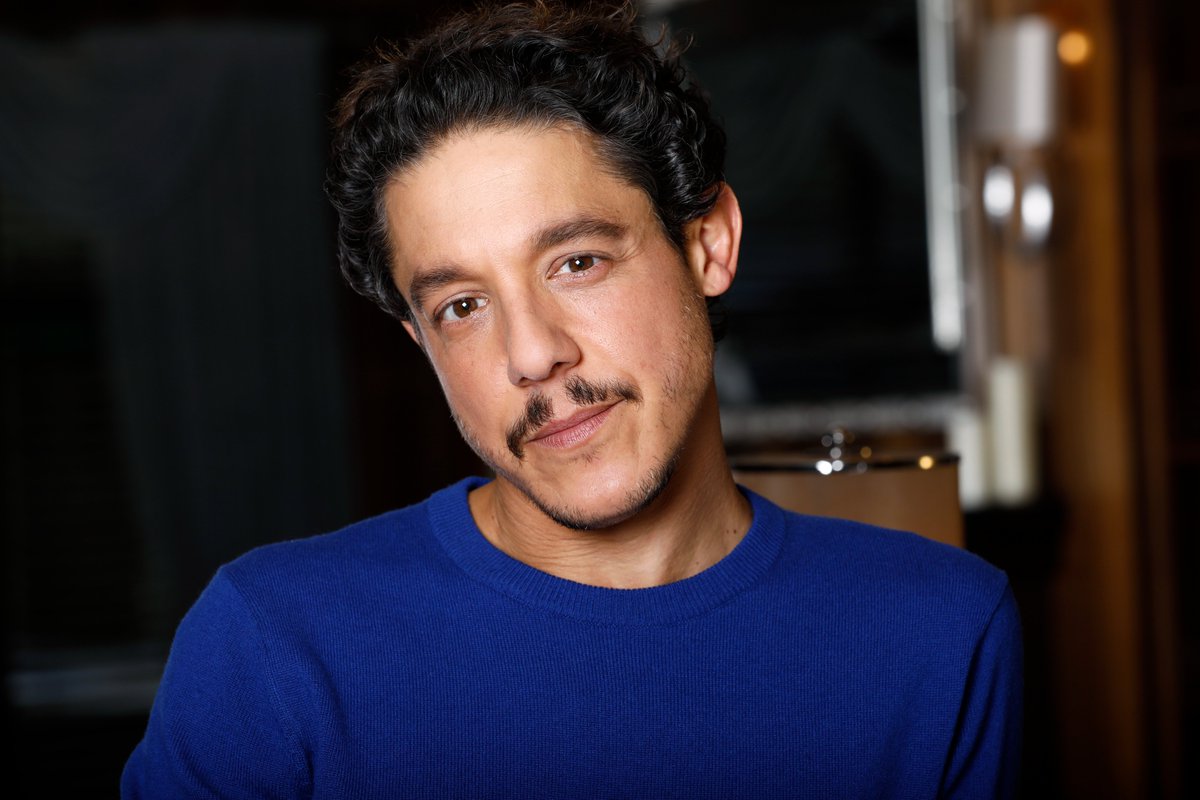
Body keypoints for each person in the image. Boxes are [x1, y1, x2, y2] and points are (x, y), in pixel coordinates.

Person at [122, 1, 1022, 797]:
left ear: (708, 244)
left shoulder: (941, 630)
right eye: (462, 306)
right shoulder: (273, 646)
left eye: (577, 262)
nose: (532, 355)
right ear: (420, 341)